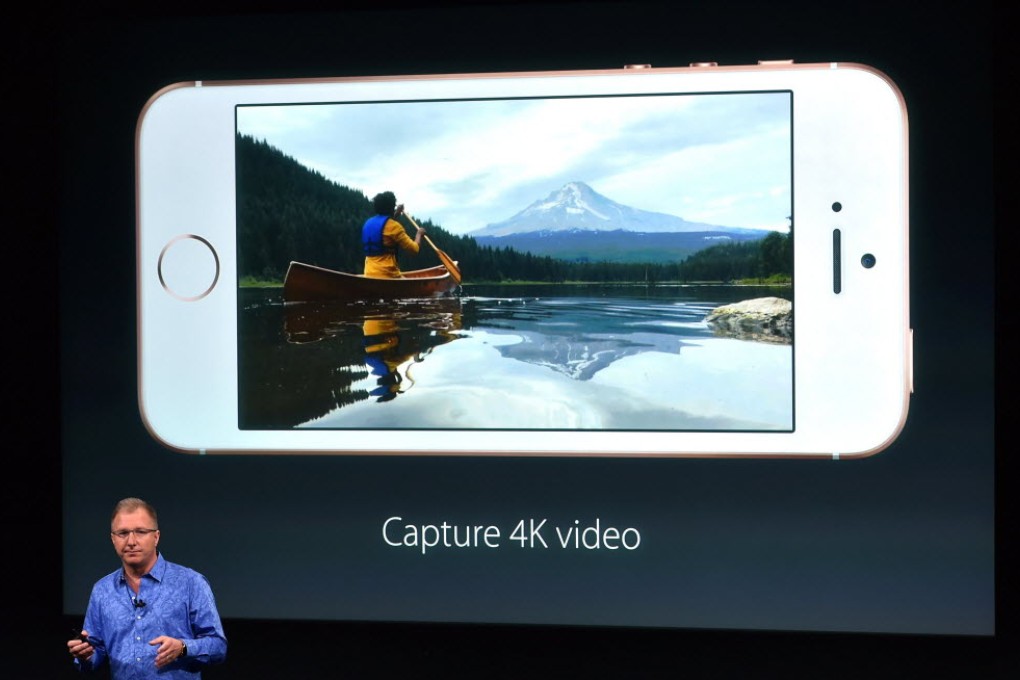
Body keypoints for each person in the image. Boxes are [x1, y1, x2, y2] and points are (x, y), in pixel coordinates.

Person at [66, 498, 227, 678]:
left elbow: (218, 647)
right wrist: (85, 656)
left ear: (156, 537)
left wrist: (183, 648)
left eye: (141, 532)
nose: (131, 541)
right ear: (113, 539)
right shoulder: (102, 590)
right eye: (123, 533)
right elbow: (94, 653)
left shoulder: (191, 583)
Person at [362, 191, 425, 278]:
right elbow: (414, 249)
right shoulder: (395, 227)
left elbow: (385, 227)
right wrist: (419, 234)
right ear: (391, 208)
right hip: (388, 274)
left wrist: (396, 213)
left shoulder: (368, 223)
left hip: (368, 273)